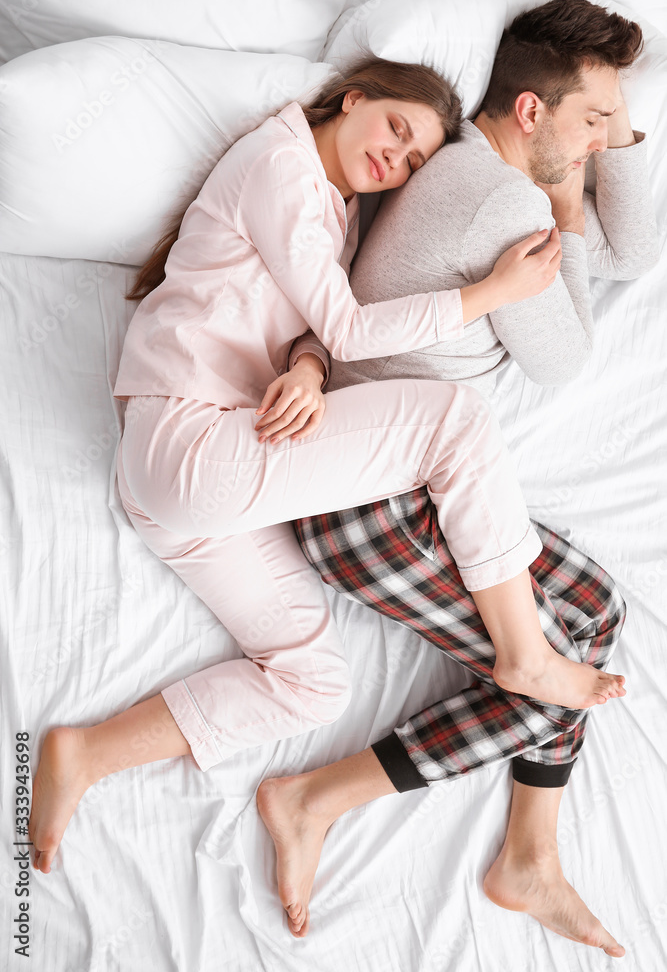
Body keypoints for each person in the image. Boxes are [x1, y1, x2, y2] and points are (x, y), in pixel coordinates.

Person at [27, 55, 615, 884]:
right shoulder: (279, 164)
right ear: (353, 98)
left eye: (414, 162)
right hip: (192, 445)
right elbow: (345, 324)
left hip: (192, 485)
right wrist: (488, 293)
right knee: (453, 418)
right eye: (396, 131)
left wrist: (304, 370)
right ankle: (523, 653)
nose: (397, 160)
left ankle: (85, 753)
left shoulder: (334, 210)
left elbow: (316, 329)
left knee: (311, 682)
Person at [258, 0, 658, 953]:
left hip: (409, 483)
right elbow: (561, 357)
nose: (607, 141)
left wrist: (604, 141)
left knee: (592, 616)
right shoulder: (503, 200)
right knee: (548, 676)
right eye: (593, 120)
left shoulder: (480, 175)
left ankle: (528, 859)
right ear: (529, 112)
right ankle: (312, 799)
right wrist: (563, 208)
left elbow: (633, 254)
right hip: (367, 499)